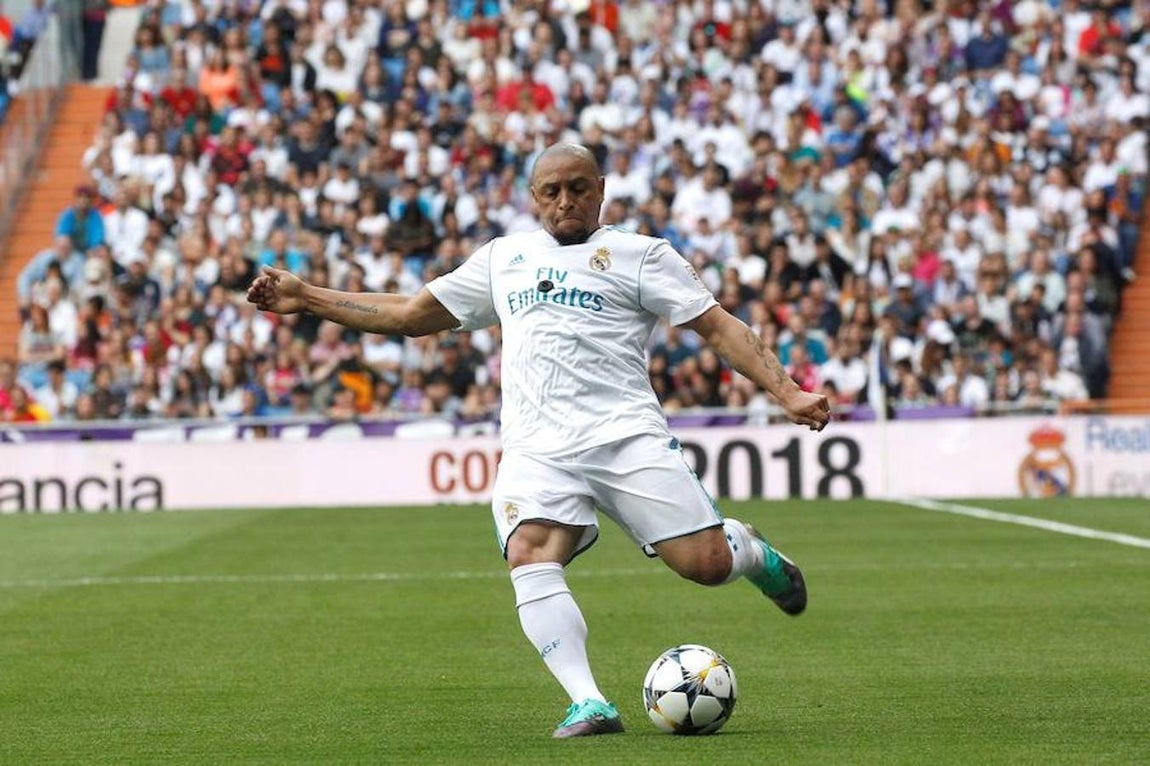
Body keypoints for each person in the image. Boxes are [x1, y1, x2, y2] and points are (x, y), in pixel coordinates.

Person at [248, 143, 830, 738]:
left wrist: (787, 392)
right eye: (551, 191)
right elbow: (409, 314)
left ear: (601, 189)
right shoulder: (505, 258)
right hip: (537, 446)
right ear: (534, 198)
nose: (565, 201)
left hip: (626, 438)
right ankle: (589, 702)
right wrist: (308, 298)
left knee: (705, 566)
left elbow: (718, 327)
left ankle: (752, 552)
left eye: (578, 187)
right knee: (529, 549)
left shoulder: (641, 255)